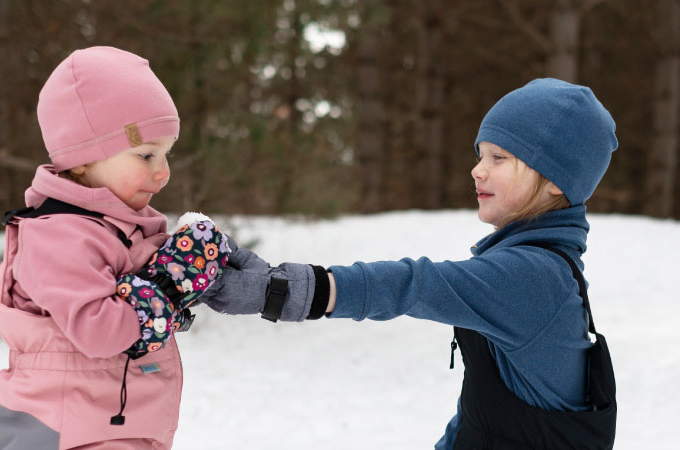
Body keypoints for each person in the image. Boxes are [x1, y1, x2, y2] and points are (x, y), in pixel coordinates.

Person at [199, 78, 619, 449]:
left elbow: (412, 284)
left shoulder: (532, 278)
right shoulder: (533, 266)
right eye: (481, 155)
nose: (477, 170)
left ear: (554, 182)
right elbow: (488, 416)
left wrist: (284, 290)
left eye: (499, 158)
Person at [0, 46, 229, 450]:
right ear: (81, 160)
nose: (163, 172)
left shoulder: (121, 228)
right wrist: (169, 286)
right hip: (66, 432)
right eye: (146, 154)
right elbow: (100, 330)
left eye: (167, 154)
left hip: (111, 424)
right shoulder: (58, 235)